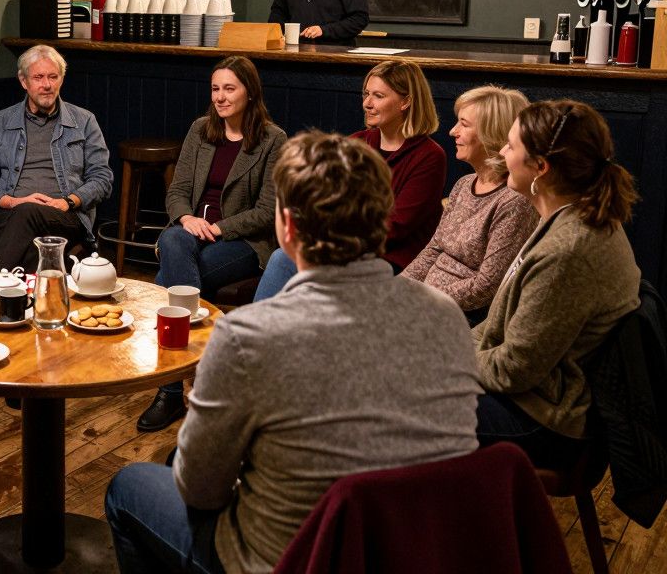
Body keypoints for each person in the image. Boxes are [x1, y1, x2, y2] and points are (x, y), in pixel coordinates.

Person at [105, 131, 479, 574]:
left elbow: (200, 489)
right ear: (383, 220)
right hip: (414, 551)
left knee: (129, 485)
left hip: (286, 559)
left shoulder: (248, 335)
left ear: (289, 227)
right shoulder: (445, 316)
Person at [474, 100, 640, 470]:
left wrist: (443, 360)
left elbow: (514, 368)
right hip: (531, 396)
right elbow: (498, 327)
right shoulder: (563, 214)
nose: (501, 151)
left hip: (547, 423)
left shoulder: (568, 250)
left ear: (541, 168)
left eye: (511, 146)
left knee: (394, 409)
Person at [138, 56, 287, 433]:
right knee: (174, 237)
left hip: (241, 241)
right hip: (189, 234)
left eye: (229, 89)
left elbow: (268, 211)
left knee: (166, 280)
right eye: (215, 89)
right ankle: (193, 378)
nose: (220, 97)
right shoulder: (201, 129)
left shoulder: (273, 139)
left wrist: (218, 228)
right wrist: (188, 219)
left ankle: (170, 390)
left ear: (250, 93)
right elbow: (179, 191)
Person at [254, 59, 446, 300]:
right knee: (284, 257)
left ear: (406, 101)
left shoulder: (429, 155)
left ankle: (260, 331)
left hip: (391, 260)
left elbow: (395, 226)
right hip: (344, 245)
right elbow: (327, 200)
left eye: (378, 96)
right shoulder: (357, 142)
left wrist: (331, 238)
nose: (367, 103)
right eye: (366, 94)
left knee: (286, 260)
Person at [0, 44, 113, 272]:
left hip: (65, 217)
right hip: (8, 216)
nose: (47, 85)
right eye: (38, 77)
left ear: (61, 80)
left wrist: (67, 202)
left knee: (27, 213)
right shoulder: (1, 122)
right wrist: (14, 202)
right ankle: (44, 292)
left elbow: (102, 179)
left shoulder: (84, 121)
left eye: (53, 77)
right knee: (30, 248)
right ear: (24, 81)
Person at [402, 86, 538, 325]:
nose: (453, 131)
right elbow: (434, 249)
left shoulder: (513, 200)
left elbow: (487, 287)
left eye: (464, 124)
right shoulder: (464, 184)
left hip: (461, 317)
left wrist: (420, 299)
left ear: (492, 134)